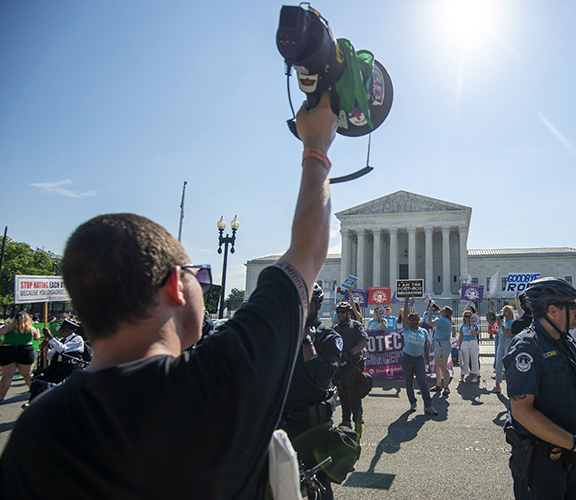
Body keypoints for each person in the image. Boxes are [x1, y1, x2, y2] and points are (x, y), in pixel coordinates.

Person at [0, 91, 338, 498]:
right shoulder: (218, 379)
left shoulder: (36, 429)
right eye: (196, 274)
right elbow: (308, 251)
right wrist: (315, 147)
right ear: (175, 286)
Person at [503, 278, 576, 499]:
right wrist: (574, 444)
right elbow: (522, 411)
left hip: (573, 456)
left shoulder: (566, 342)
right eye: (572, 304)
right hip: (542, 463)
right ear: (553, 310)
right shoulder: (526, 347)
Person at [279, 284, 342, 499]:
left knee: (320, 485)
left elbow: (323, 375)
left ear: (317, 304)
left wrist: (307, 343)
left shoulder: (328, 337)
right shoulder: (285, 336)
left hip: (314, 425)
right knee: (281, 483)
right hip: (283, 423)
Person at [25, 318, 85, 406]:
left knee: (46, 382)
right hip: (57, 365)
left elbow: (62, 349)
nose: (59, 331)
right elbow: (51, 356)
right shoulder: (60, 340)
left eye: (61, 329)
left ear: (68, 330)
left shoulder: (77, 339)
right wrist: (45, 348)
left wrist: (50, 337)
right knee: (38, 379)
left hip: (69, 366)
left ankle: (37, 404)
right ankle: (32, 403)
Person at [333, 301, 369, 433]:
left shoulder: (355, 326)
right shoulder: (335, 329)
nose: (340, 314)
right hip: (340, 368)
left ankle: (358, 420)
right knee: (343, 396)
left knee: (354, 395)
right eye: (338, 312)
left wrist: (350, 353)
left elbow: (363, 341)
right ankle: (345, 421)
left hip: (353, 366)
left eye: (343, 312)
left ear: (349, 312)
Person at [401, 297, 437, 415]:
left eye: (417, 319)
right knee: (409, 382)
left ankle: (428, 405)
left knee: (423, 382)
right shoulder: (407, 328)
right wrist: (406, 303)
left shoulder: (424, 332)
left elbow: (426, 347)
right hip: (407, 358)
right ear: (410, 322)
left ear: (419, 320)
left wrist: (427, 361)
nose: (415, 321)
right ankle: (412, 402)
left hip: (419, 359)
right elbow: (405, 316)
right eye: (413, 320)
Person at [0, 311, 41, 402]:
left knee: (6, 376)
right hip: (25, 350)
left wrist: (1, 342)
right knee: (27, 374)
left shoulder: (9, 327)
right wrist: (37, 331)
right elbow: (36, 338)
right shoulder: (30, 328)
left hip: (8, 350)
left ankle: (1, 396)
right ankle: (37, 393)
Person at [422, 304, 453, 396]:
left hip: (442, 344)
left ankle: (446, 387)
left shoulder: (443, 320)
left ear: (446, 312)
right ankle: (438, 384)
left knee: (443, 366)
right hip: (439, 343)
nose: (440, 310)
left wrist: (430, 314)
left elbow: (430, 323)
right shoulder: (444, 320)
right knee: (438, 365)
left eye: (442, 309)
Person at [488, 303, 515, 394]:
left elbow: (508, 334)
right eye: (503, 310)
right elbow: (493, 312)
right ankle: (497, 386)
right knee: (498, 364)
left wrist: (501, 326)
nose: (504, 312)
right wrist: (489, 302)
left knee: (508, 366)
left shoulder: (511, 322)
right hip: (501, 343)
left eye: (506, 311)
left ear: (510, 313)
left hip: (507, 343)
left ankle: (510, 386)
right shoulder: (502, 321)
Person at [457, 309, 480, 384]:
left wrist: (472, 326)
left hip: (473, 343)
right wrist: (459, 345)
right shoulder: (462, 326)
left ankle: (475, 377)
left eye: (469, 316)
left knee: (474, 360)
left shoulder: (475, 325)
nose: (468, 318)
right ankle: (462, 376)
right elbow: (460, 336)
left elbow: (474, 335)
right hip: (465, 343)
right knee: (464, 360)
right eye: (466, 316)